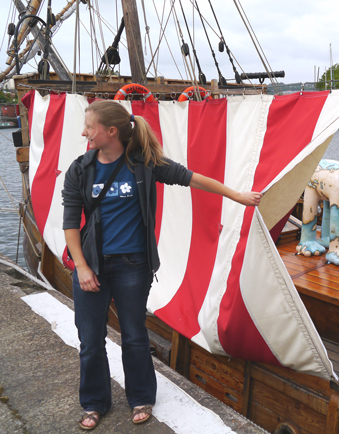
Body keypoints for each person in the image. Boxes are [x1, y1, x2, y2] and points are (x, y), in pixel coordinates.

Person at [62, 100, 261, 430]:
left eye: (90, 127)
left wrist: (236, 195)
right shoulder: (80, 169)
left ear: (111, 132)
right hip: (92, 266)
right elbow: (70, 222)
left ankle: (141, 397)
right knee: (90, 340)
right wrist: (81, 267)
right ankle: (95, 402)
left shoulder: (144, 164)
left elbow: (190, 178)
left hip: (133, 266)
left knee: (135, 335)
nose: (84, 132)